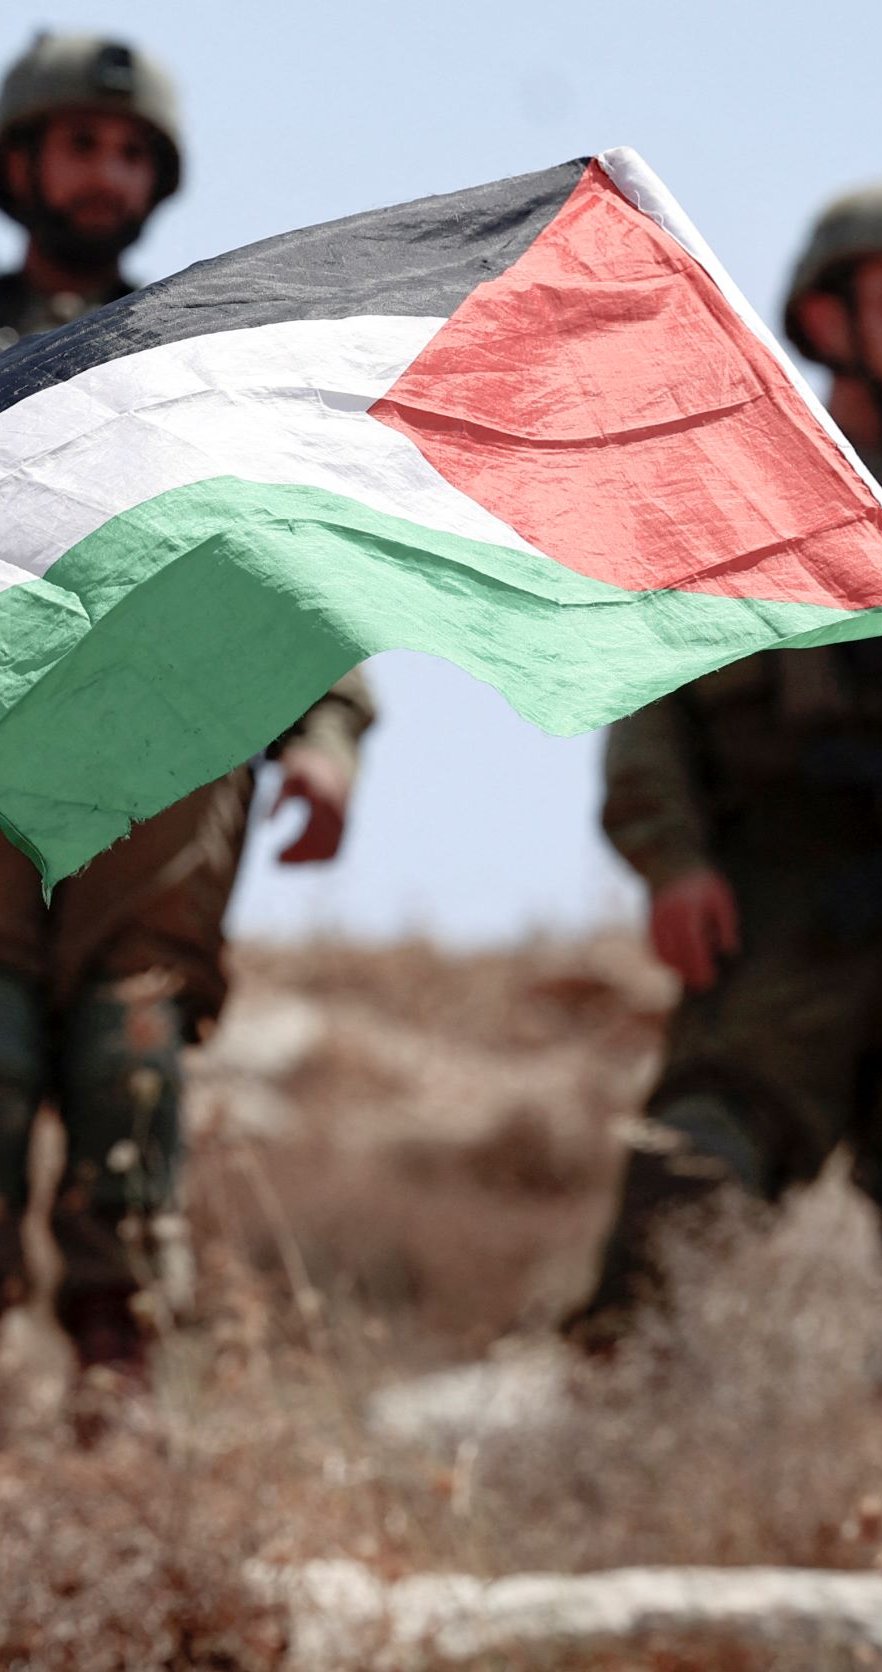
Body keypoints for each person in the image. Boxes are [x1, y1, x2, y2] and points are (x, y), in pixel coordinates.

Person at [567, 184, 882, 1337]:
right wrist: (668, 856)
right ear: (827, 312)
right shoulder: (754, 477)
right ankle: (614, 1396)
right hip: (793, 886)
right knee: (702, 1164)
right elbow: (653, 677)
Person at [0, 30, 375, 1381]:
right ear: (21, 159)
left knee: (131, 1102)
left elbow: (289, 570)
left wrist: (328, 741)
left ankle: (113, 1473)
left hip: (157, 819)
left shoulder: (200, 370)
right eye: (79, 143)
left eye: (127, 152)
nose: (102, 173)